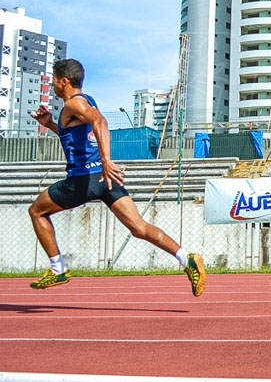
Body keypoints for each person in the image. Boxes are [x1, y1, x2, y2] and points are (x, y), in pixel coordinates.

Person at [27, 58, 206, 296]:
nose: (52, 86)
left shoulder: (73, 104)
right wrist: (50, 124)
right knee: (139, 228)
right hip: (104, 180)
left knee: (37, 211)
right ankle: (187, 258)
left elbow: (100, 121)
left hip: (85, 178)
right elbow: (76, 136)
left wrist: (106, 160)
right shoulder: (86, 101)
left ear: (64, 80)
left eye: (54, 80)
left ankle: (57, 267)